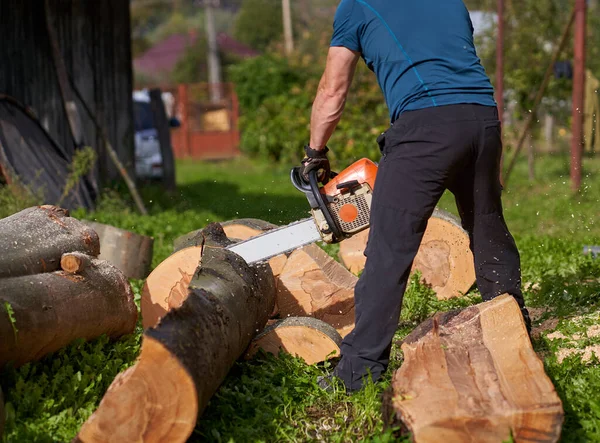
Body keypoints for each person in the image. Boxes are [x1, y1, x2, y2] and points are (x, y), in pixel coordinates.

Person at [301, 0, 532, 393]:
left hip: (424, 127)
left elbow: (332, 88)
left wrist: (315, 152)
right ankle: (514, 328)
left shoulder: (355, 6)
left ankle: (358, 373)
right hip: (483, 119)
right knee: (487, 226)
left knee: (388, 249)